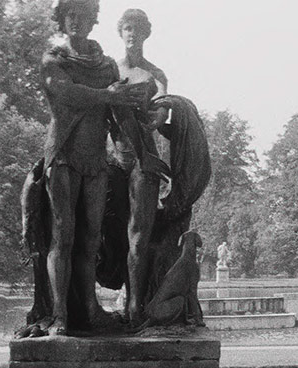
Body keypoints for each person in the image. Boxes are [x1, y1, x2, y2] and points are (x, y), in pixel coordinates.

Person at [39, 0, 149, 334]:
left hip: (96, 161)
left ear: (93, 21)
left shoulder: (105, 67)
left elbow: (118, 119)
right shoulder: (53, 61)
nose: (77, 21)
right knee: (64, 236)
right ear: (62, 19)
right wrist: (110, 96)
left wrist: (143, 148)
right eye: (71, 15)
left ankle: (89, 309)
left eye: (84, 16)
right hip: (63, 157)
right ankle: (59, 315)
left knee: (90, 239)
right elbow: (68, 94)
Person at [112, 8, 170, 324]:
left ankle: (135, 306)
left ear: (146, 34)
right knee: (101, 232)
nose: (132, 33)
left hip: (143, 159)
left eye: (138, 29)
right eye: (127, 28)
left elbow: (162, 105)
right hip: (112, 160)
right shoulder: (109, 71)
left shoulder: (155, 74)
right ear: (120, 32)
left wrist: (160, 113)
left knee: (138, 234)